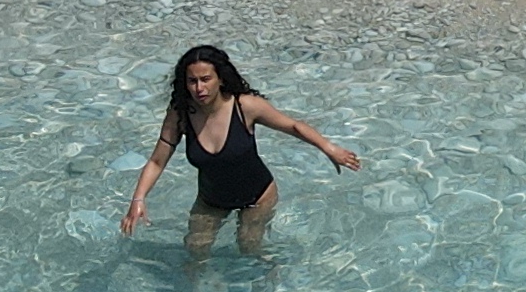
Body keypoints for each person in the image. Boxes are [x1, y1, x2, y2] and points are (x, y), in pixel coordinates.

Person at [122, 44, 362, 264]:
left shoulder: (245, 106)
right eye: (192, 81)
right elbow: (157, 160)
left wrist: (330, 148)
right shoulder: (181, 113)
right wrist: (138, 199)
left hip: (257, 196)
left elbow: (293, 126)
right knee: (194, 249)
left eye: (206, 79)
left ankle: (270, 276)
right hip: (211, 200)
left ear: (220, 79)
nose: (199, 88)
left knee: (248, 246)